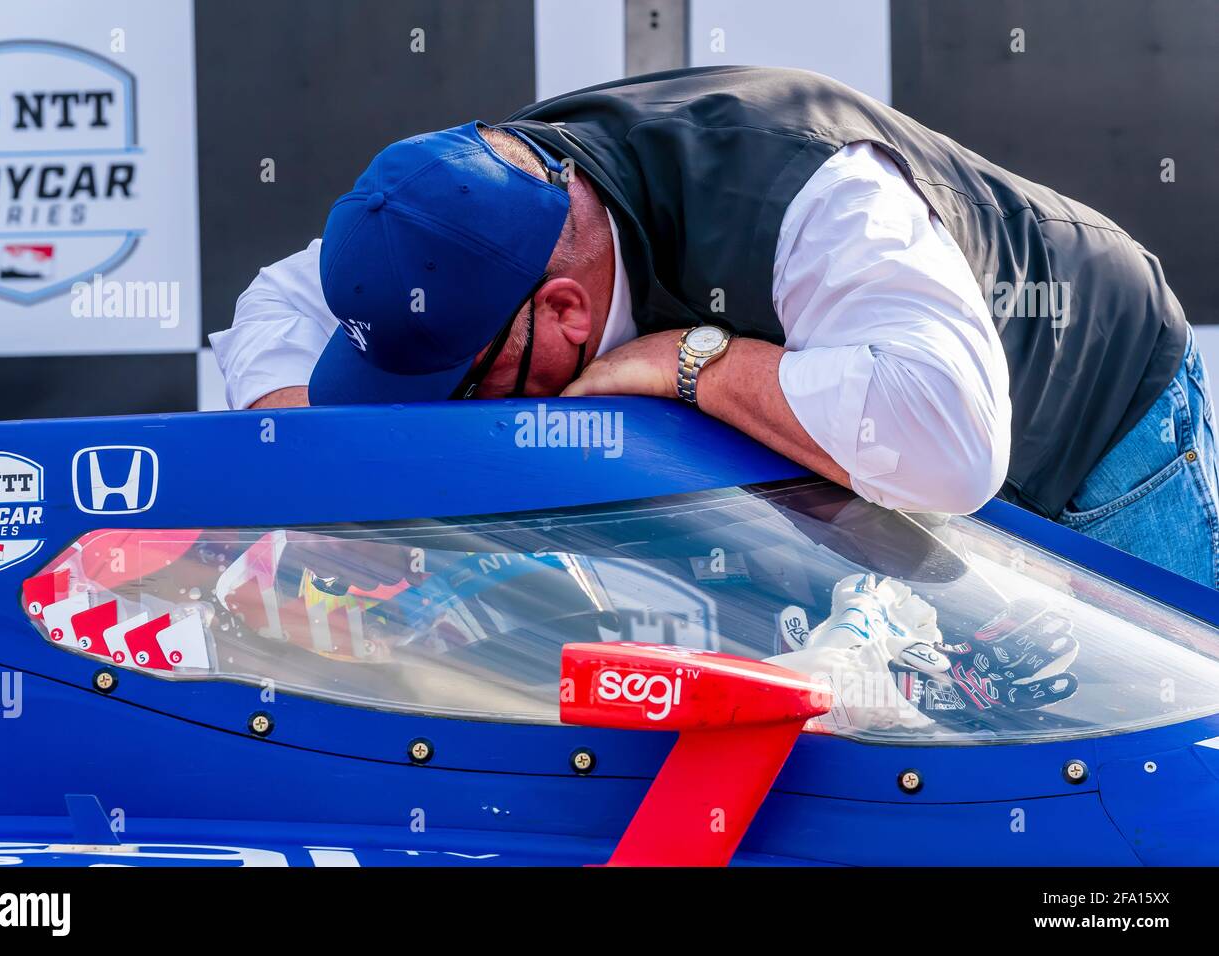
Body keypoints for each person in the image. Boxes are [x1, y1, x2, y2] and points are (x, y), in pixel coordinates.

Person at [211, 66, 1219, 588]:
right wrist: (327, 461)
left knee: (1161, 768)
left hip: (1089, 412)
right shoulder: (457, 218)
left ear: (562, 310)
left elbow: (949, 450)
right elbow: (274, 303)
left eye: (458, 394)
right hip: (894, 451)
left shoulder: (808, 193)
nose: (447, 422)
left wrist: (692, 360)